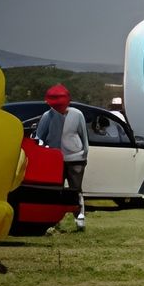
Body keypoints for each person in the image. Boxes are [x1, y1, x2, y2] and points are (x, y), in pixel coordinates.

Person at [35, 84, 88, 232]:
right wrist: (44, 153)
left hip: (75, 158)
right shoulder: (47, 116)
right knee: (55, 191)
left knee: (76, 190)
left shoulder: (77, 115)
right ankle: (52, 221)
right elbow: (40, 137)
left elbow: (84, 135)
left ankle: (80, 218)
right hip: (55, 159)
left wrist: (84, 154)